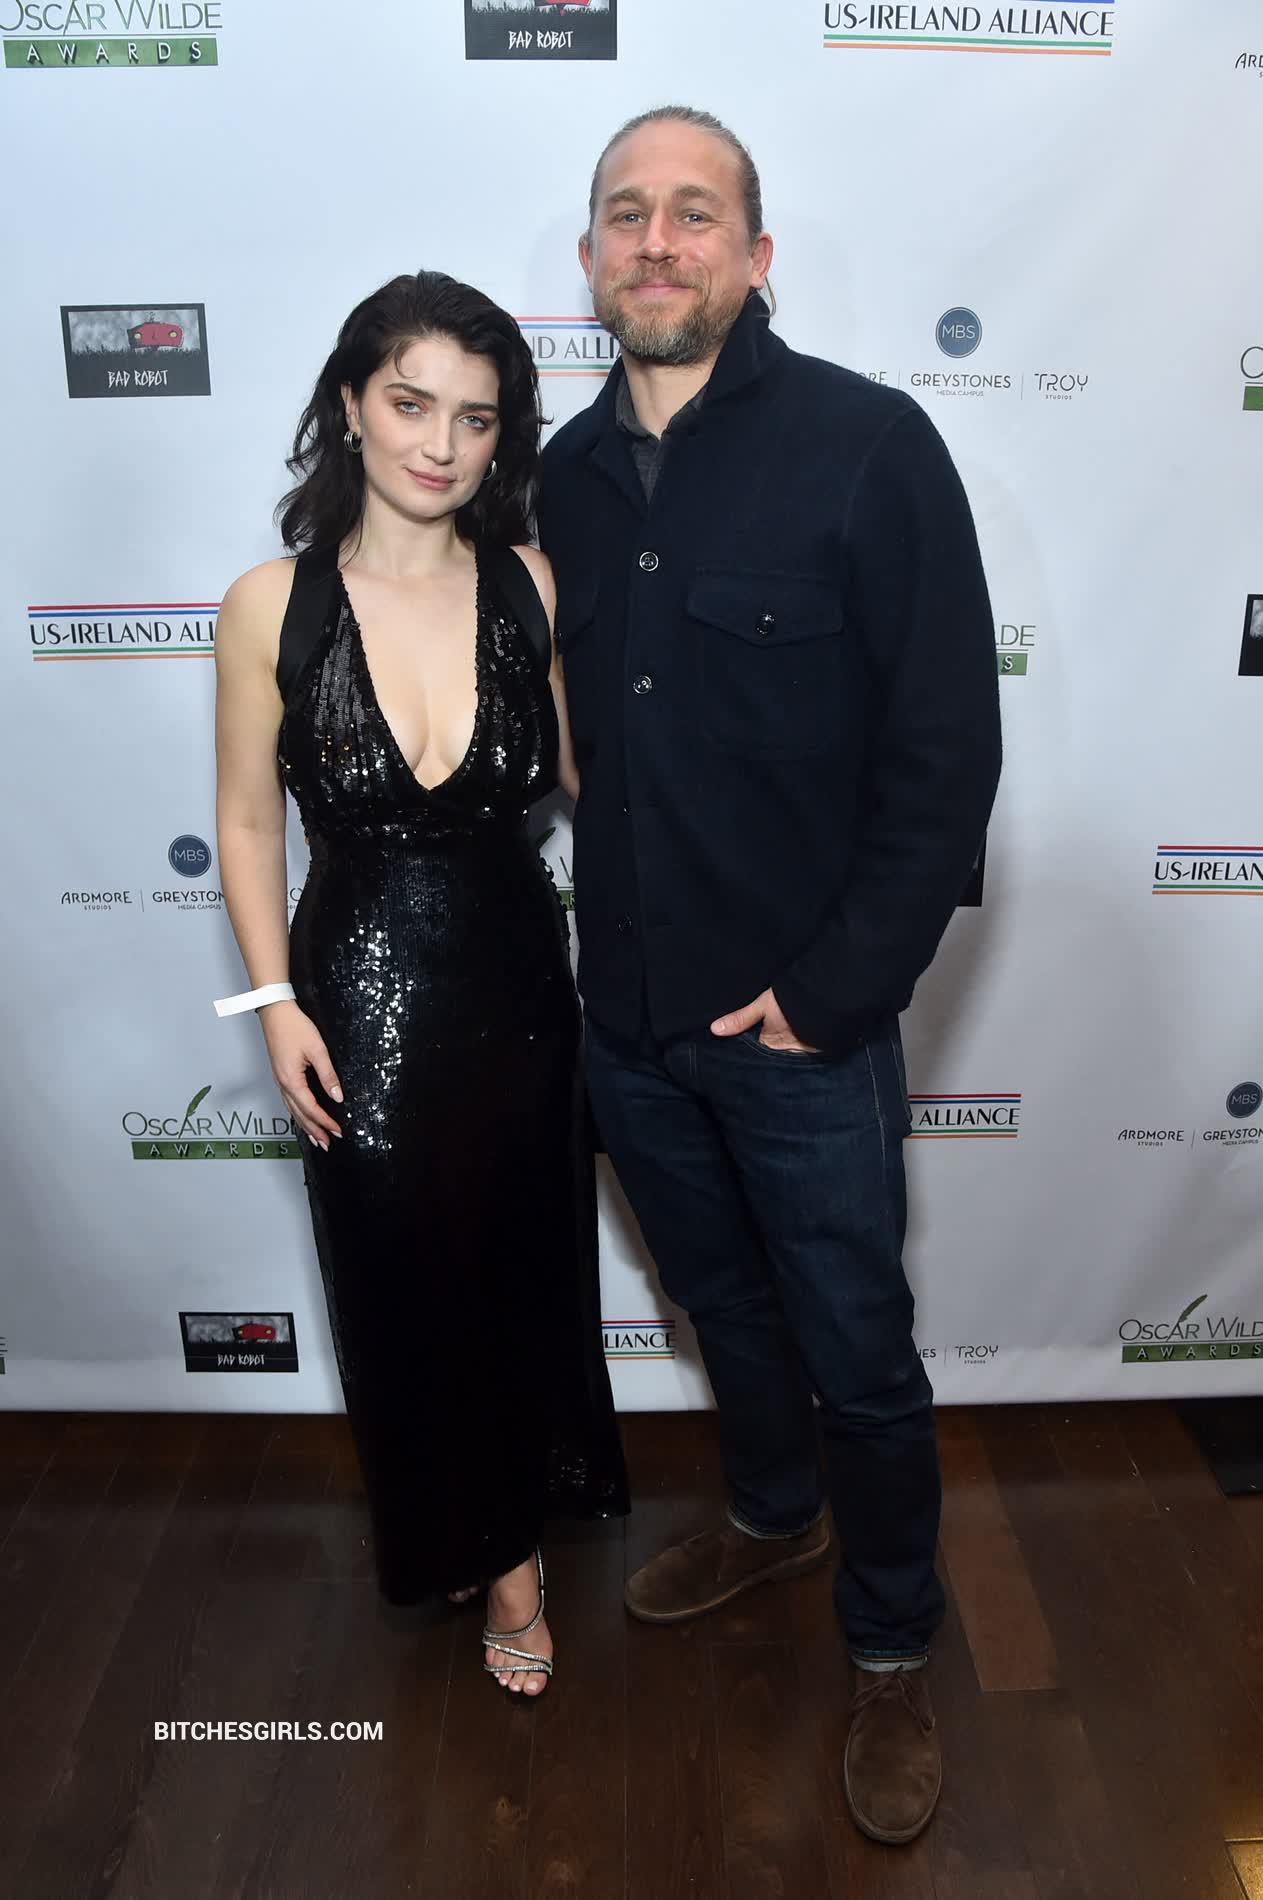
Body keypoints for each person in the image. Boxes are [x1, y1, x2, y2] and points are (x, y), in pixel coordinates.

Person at [537, 109, 1001, 1837]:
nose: (657, 242)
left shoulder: (871, 447)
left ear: (755, 253)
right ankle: (774, 1517)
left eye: (694, 213)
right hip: (629, 1025)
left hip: (801, 1032)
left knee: (858, 1351)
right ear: (590, 258)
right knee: (722, 1311)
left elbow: (945, 755)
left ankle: (889, 1646)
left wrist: (832, 996)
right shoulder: (556, 481)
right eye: (625, 215)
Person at [213, 270, 628, 1699]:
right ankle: (451, 1521)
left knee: (517, 1267)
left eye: (476, 417)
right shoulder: (271, 605)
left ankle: (510, 1560)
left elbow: (583, 779)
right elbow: (248, 823)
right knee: (400, 1283)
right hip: (357, 1000)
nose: (441, 444)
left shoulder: (529, 583)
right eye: (410, 404)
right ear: (350, 406)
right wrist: (271, 1006)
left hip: (519, 991)